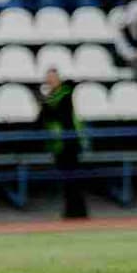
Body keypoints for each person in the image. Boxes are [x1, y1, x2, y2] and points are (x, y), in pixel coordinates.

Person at [36, 68, 89, 219]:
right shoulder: (51, 98)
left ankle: (78, 212)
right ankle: (71, 211)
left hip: (70, 141)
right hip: (58, 144)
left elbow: (57, 113)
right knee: (66, 180)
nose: (51, 81)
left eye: (53, 78)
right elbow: (42, 118)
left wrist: (45, 103)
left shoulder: (65, 94)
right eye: (49, 78)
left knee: (73, 178)